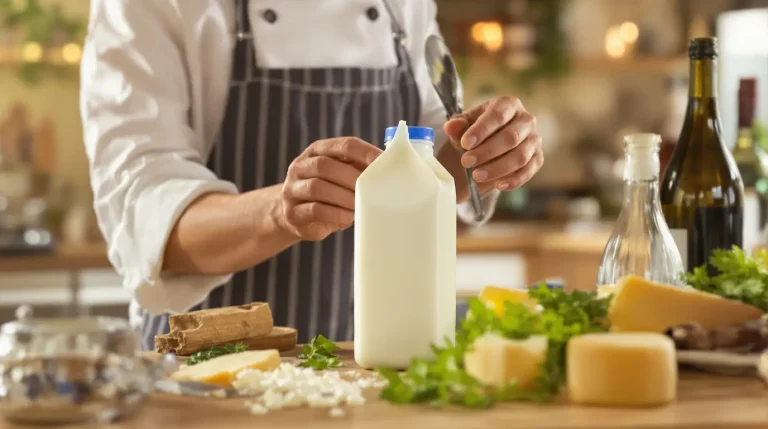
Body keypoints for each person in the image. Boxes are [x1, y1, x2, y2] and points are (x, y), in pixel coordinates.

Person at [80, 0, 544, 349]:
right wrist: (281, 213)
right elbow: (148, 219)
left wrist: (483, 156)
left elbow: (438, 167)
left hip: (371, 366)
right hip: (206, 374)